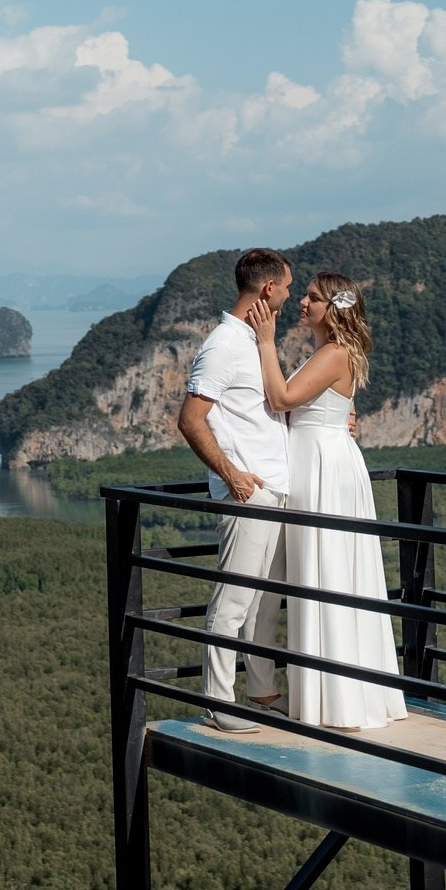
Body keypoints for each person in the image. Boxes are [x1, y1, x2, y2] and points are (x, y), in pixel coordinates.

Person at [250, 272, 406, 730]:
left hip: (321, 468)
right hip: (322, 462)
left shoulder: (335, 353)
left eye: (313, 298)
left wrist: (265, 341)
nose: (303, 302)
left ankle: (330, 697)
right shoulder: (328, 353)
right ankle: (326, 691)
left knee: (326, 572)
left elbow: (281, 399)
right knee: (324, 570)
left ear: (333, 308)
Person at [177, 248, 295, 733]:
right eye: (287, 287)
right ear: (269, 289)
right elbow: (189, 418)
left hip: (274, 491)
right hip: (247, 496)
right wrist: (230, 474)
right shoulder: (225, 343)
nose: (289, 295)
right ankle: (218, 703)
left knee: (265, 602)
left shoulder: (255, 341)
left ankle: (263, 693)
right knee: (233, 601)